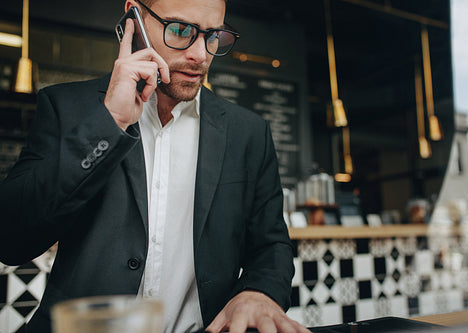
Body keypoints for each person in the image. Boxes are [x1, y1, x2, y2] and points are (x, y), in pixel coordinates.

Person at [0, 0, 311, 332]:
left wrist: (258, 292)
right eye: (180, 30)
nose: (200, 55)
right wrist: (111, 122)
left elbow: (271, 245)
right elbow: (13, 238)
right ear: (135, 16)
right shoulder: (67, 107)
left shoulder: (248, 132)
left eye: (213, 36)